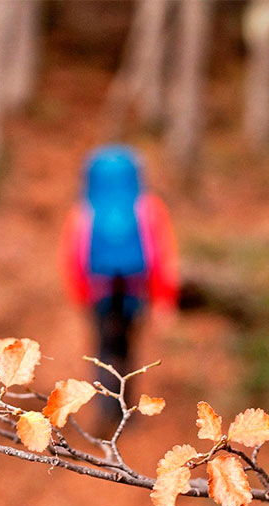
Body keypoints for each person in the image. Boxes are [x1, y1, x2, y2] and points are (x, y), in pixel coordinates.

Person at [59, 145, 179, 422]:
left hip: (98, 290)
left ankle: (106, 408)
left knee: (104, 346)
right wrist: (164, 297)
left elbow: (73, 255)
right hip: (135, 288)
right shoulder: (148, 208)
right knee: (127, 346)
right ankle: (126, 411)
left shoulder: (85, 209)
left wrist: (80, 294)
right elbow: (161, 254)